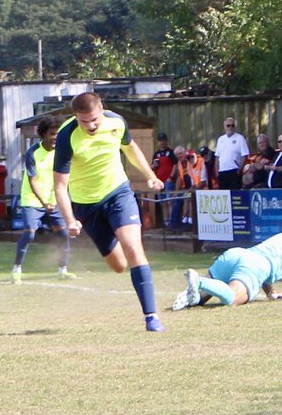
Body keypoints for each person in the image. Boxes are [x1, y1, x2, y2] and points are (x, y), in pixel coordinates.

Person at [52, 91, 166, 332]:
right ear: (76, 117)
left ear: (101, 109)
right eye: (84, 121)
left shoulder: (116, 122)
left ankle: (151, 317)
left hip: (118, 193)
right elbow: (60, 186)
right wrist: (70, 219)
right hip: (87, 205)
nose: (91, 125)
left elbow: (131, 148)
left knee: (134, 248)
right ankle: (115, 241)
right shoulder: (66, 136)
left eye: (94, 119)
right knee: (119, 265)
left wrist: (150, 176)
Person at [171, 213, 282, 309]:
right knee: (232, 299)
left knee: (199, 300)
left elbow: (268, 259)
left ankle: (192, 294)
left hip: (235, 255)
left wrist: (270, 292)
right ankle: (199, 280)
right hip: (252, 267)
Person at [11, 117, 74, 284]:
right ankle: (16, 269)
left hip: (54, 200)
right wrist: (44, 202)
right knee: (30, 234)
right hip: (33, 200)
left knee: (64, 234)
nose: (56, 137)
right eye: (52, 133)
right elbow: (32, 181)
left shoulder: (63, 152)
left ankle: (63, 270)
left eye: (58, 134)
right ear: (43, 135)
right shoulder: (33, 153)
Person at [168, 145, 206, 228]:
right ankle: (175, 224)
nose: (179, 156)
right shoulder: (180, 164)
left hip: (200, 187)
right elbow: (179, 178)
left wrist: (192, 190)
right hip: (188, 187)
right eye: (177, 155)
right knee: (177, 199)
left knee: (188, 198)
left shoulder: (196, 161)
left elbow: (202, 180)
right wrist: (176, 191)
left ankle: (189, 222)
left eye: (180, 153)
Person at [215, 116, 250, 190]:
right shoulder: (220, 139)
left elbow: (245, 155)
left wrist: (239, 170)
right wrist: (217, 172)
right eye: (228, 125)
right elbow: (217, 157)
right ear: (224, 127)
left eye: (232, 125)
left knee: (235, 196)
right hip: (222, 172)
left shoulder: (240, 138)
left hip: (234, 171)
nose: (230, 127)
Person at [151, 132, 177, 227]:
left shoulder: (171, 152)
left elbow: (175, 164)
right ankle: (166, 222)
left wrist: (171, 176)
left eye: (164, 140)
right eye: (160, 141)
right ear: (158, 142)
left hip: (168, 180)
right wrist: (153, 165)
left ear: (166, 141)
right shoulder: (156, 154)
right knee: (162, 202)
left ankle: (172, 221)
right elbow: (152, 166)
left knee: (170, 201)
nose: (162, 142)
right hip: (159, 180)